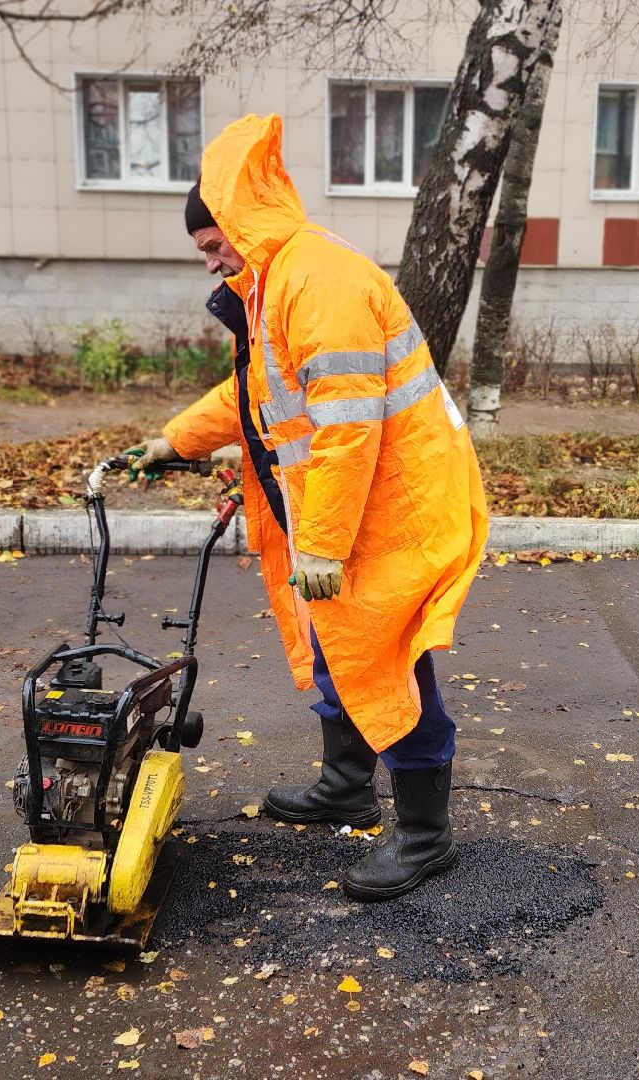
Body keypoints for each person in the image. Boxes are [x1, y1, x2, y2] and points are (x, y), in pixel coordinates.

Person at [126, 114, 487, 901]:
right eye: (206, 252)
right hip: (337, 509)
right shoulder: (273, 287)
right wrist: (174, 442)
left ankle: (427, 837)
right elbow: (255, 393)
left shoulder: (317, 281)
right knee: (337, 650)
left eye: (214, 243)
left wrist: (320, 545)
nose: (214, 260)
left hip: (388, 507)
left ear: (243, 220)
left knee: (389, 660)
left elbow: (350, 426)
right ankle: (347, 787)